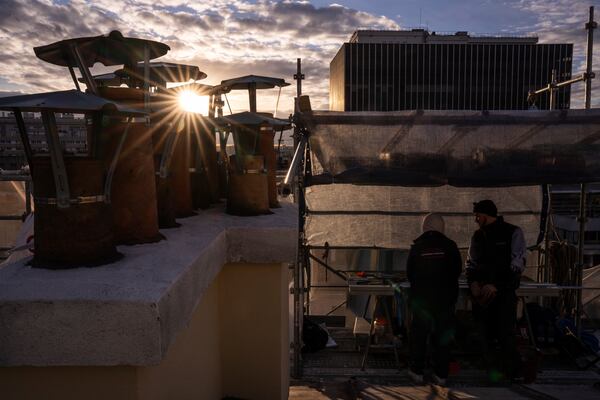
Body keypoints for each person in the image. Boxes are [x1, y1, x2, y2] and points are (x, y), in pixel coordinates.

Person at [466, 199, 526, 382]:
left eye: (477, 215)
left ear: (486, 215)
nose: (476, 219)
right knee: (485, 335)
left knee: (505, 334)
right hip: (483, 296)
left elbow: (517, 265)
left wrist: (497, 286)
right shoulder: (477, 236)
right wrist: (473, 283)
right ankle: (494, 373)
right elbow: (471, 263)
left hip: (504, 295)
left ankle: (515, 373)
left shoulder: (513, 232)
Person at [407, 213, 462, 385]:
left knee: (419, 336)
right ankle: (441, 374)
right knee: (442, 337)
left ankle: (417, 371)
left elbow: (410, 274)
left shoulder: (417, 247)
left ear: (425, 227)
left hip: (422, 300)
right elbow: (457, 271)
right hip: (445, 300)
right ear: (442, 228)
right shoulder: (451, 246)